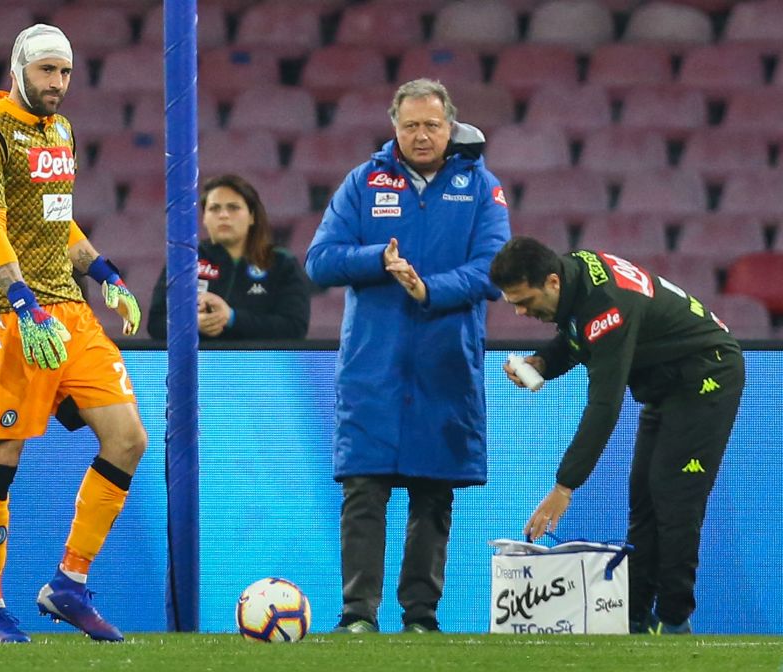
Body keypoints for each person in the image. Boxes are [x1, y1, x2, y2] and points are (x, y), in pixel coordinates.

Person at [0, 24, 147, 644]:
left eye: (65, 73)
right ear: (19, 70)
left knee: (128, 439)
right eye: (46, 72)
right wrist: (21, 301)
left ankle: (68, 583)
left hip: (68, 310)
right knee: (0, 458)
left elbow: (56, 222)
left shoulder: (61, 132)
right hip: (5, 313)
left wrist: (105, 271)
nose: (58, 85)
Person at [305, 78, 510, 633]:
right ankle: (357, 617)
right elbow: (319, 261)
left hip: (445, 363)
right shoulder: (362, 182)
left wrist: (429, 290)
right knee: (364, 491)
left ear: (450, 127)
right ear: (393, 126)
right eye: (411, 125)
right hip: (375, 364)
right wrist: (377, 259)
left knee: (433, 493)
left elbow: (495, 269)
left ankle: (421, 616)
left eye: (432, 125)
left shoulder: (482, 187)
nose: (421, 135)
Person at [489, 236, 745, 635]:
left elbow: (604, 407)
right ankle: (636, 618)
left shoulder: (605, 305)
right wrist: (543, 361)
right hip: (668, 383)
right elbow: (578, 337)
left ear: (552, 282)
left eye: (525, 300)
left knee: (674, 496)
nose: (521, 311)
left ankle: (675, 620)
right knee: (643, 498)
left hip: (706, 375)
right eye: (513, 303)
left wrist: (564, 485)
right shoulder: (574, 276)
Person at [146, 174, 310, 340]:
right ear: (204, 218)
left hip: (261, 365)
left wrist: (232, 318)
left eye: (233, 207)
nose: (223, 215)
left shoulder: (281, 263)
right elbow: (155, 324)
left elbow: (295, 329)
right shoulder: (183, 261)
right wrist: (191, 325)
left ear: (252, 216)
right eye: (214, 208)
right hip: (200, 365)